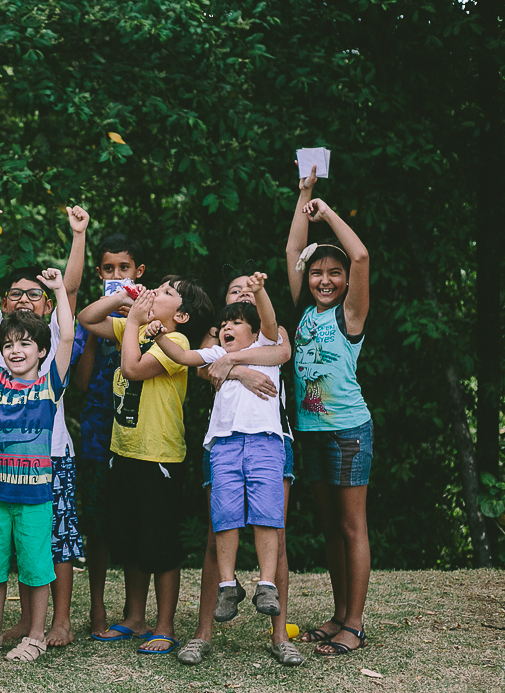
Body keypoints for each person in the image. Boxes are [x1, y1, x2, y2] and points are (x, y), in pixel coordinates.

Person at [147, 274, 296, 646]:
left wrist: (260, 294)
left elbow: (277, 345)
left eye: (240, 316)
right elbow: (185, 358)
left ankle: (272, 607)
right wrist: (158, 335)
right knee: (225, 519)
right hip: (225, 446)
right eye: (228, 312)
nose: (231, 321)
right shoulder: (216, 347)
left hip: (266, 442)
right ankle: (226, 591)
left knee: (269, 519)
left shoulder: (267, 337)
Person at [0, 200, 89, 647]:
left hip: (51, 456)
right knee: (10, 544)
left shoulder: (52, 346)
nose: (23, 298)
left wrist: (77, 237)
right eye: (15, 293)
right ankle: (15, 627)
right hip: (3, 471)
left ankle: (55, 624)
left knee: (51, 542)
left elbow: (69, 297)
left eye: (33, 293)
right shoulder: (0, 345)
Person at [78, 277, 213, 656]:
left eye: (168, 293)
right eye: (158, 287)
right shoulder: (133, 325)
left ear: (182, 315)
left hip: (160, 458)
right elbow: (87, 319)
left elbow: (134, 369)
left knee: (161, 545)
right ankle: (134, 617)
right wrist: (122, 298)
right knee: (133, 540)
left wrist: (134, 323)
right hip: (124, 452)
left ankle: (165, 625)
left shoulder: (179, 343)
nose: (156, 293)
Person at [0, 268, 74, 662]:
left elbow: (68, 336)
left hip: (35, 497)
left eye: (24, 343)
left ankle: (36, 636)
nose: (15, 350)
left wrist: (58, 289)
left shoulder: (50, 384)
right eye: (8, 345)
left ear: (42, 350)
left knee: (36, 567)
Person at [285, 166, 373, 657]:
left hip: (348, 431)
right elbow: (293, 253)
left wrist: (328, 213)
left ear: (344, 282)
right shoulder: (304, 311)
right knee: (328, 526)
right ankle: (339, 614)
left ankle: (354, 625)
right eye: (317, 272)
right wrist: (305, 195)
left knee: (350, 525)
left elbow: (359, 254)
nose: (323, 279)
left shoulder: (350, 315)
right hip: (311, 430)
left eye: (332, 274)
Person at [73, 233, 150, 642]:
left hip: (141, 429)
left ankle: (135, 611)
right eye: (108, 269)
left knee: (137, 517)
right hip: (99, 430)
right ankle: (97, 607)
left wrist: (134, 311)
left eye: (124, 268)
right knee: (98, 523)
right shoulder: (98, 316)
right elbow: (82, 383)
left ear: (139, 272)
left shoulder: (155, 310)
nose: (117, 276)